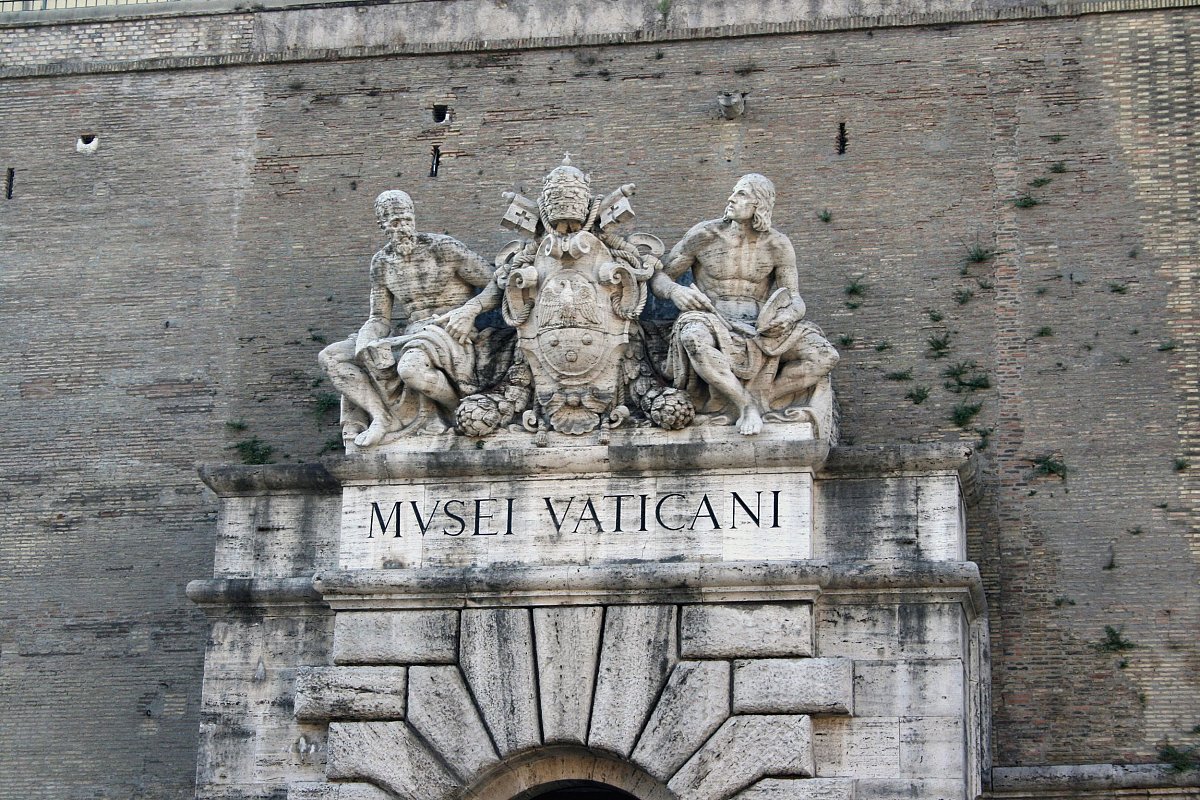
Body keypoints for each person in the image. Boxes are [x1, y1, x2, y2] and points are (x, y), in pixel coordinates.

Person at [650, 174, 838, 435]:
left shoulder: (777, 245)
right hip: (709, 316)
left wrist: (788, 317)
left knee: (825, 356)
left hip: (760, 326)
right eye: (733, 192)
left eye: (741, 194)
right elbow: (660, 276)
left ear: (759, 204)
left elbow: (794, 298)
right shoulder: (705, 235)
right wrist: (674, 291)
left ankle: (763, 399)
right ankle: (744, 404)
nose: (730, 198)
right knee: (693, 337)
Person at [319, 190, 500, 446]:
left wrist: (469, 311)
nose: (403, 228)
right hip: (411, 333)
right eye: (395, 223)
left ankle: (457, 412)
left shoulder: (444, 249)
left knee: (410, 369)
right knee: (331, 357)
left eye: (406, 220)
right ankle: (381, 417)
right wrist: (365, 343)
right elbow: (379, 317)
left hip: (450, 329)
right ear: (382, 225)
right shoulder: (381, 263)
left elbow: (497, 282)